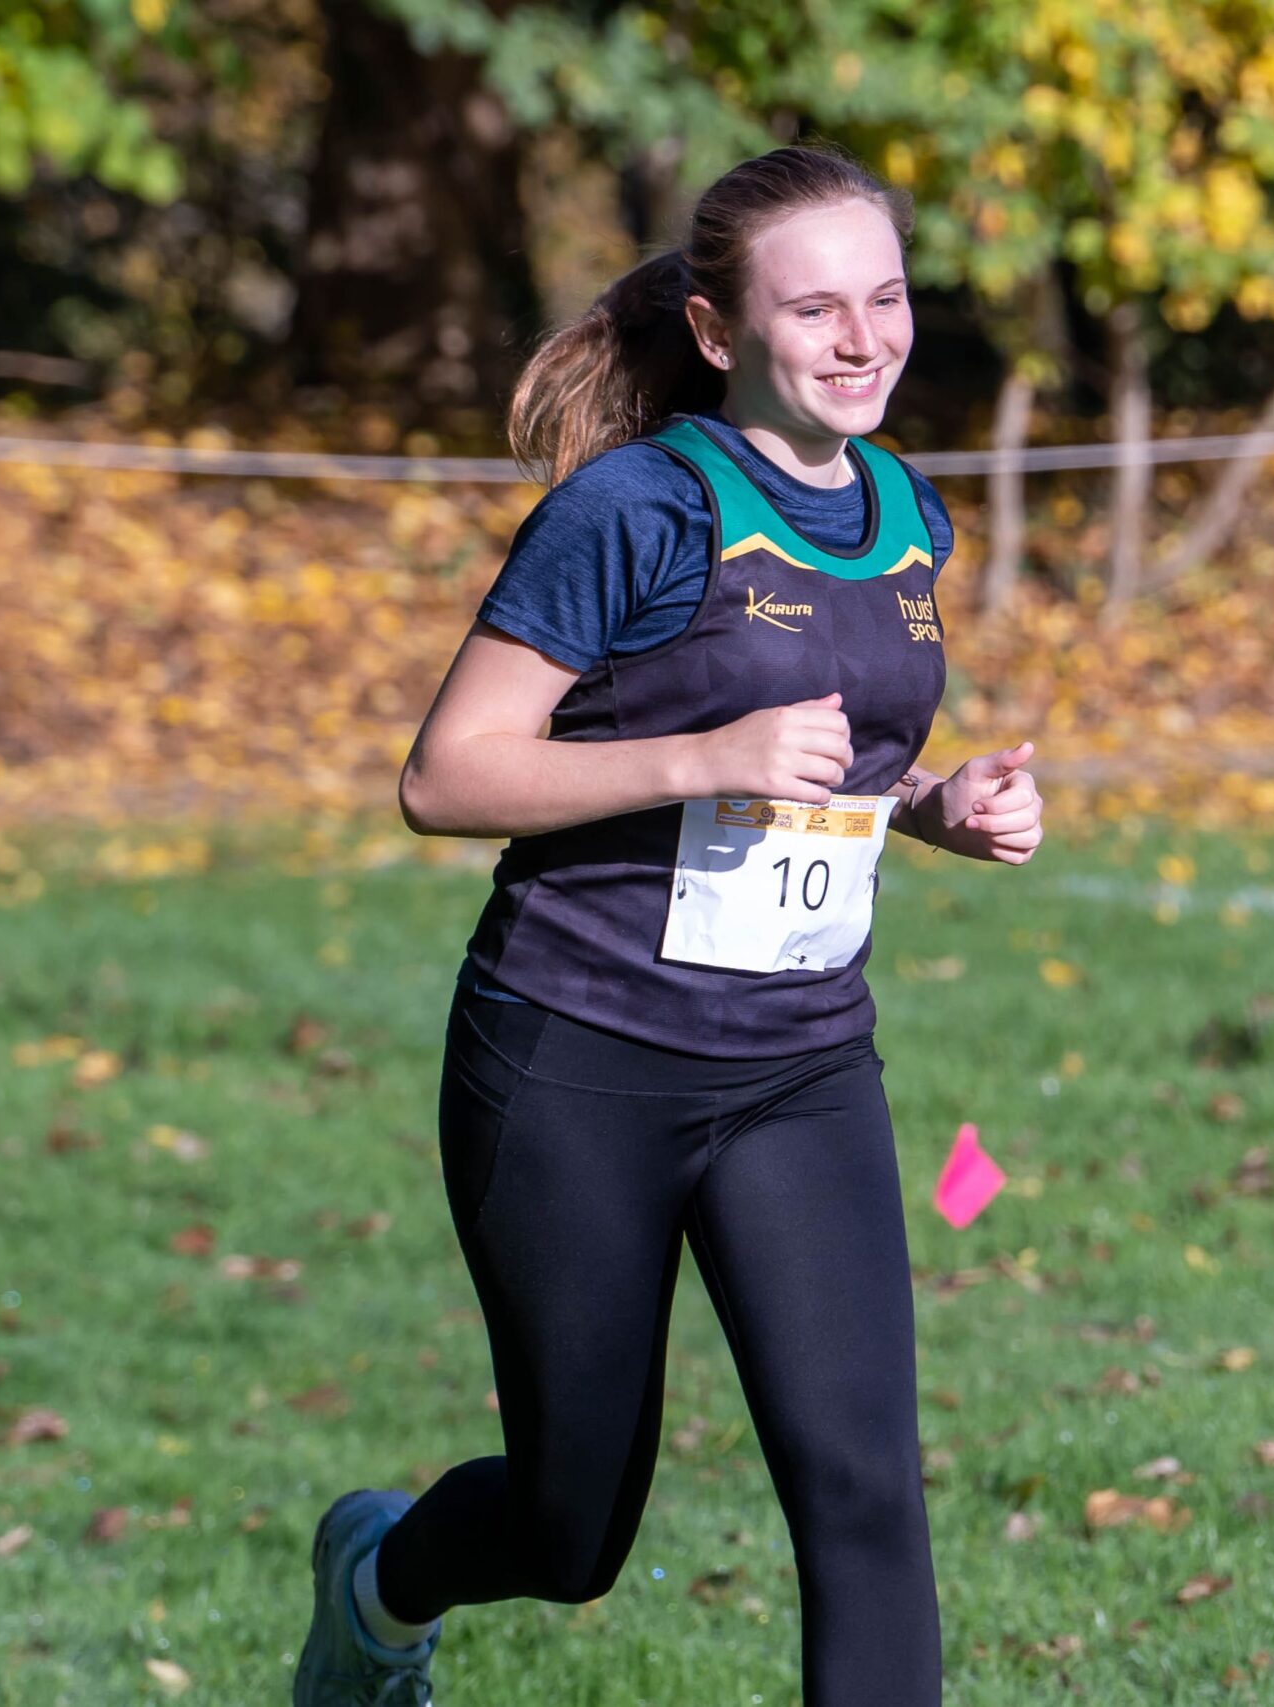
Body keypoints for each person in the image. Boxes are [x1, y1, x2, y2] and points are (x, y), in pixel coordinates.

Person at [290, 143, 1043, 1707]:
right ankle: (376, 1584)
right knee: (575, 1530)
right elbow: (446, 777)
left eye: (887, 299)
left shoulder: (909, 512)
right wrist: (708, 756)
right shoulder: (631, 510)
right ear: (717, 334)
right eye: (816, 307)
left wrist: (930, 811)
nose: (864, 340)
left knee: (865, 1501)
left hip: (799, 1065)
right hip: (579, 1063)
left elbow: (829, 768)